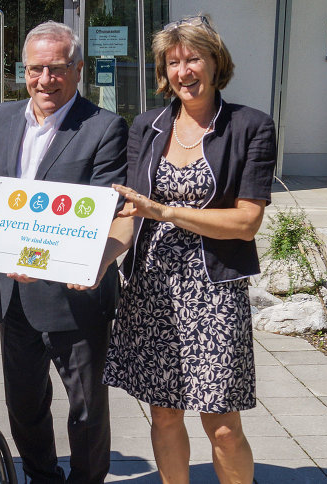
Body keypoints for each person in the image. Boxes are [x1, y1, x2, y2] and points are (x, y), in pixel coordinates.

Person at [80, 15, 276, 484]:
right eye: (173, 62)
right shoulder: (147, 126)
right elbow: (130, 216)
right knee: (165, 414)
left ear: (215, 62)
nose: (184, 71)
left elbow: (247, 222)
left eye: (193, 59)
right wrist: (99, 261)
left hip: (213, 291)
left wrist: (165, 211)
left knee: (223, 426)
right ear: (163, 72)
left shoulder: (250, 126)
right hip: (152, 288)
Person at [0, 21, 127, 484]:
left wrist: (33, 260)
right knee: (23, 404)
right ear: (23, 70)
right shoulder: (1, 117)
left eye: (56, 69)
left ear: (77, 69)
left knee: (86, 408)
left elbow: (100, 211)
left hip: (75, 296)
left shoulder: (104, 128)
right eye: (35, 69)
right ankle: (41, 477)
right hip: (13, 297)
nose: (45, 80)